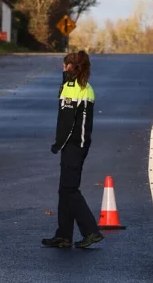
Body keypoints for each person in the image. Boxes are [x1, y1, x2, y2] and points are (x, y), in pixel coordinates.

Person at [42, 50, 104, 249]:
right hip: (81, 143)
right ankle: (64, 235)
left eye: (64, 65)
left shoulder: (71, 87)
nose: (62, 68)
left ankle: (91, 231)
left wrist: (58, 144)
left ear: (70, 67)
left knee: (70, 189)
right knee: (64, 189)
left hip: (74, 144)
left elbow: (67, 122)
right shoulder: (86, 87)